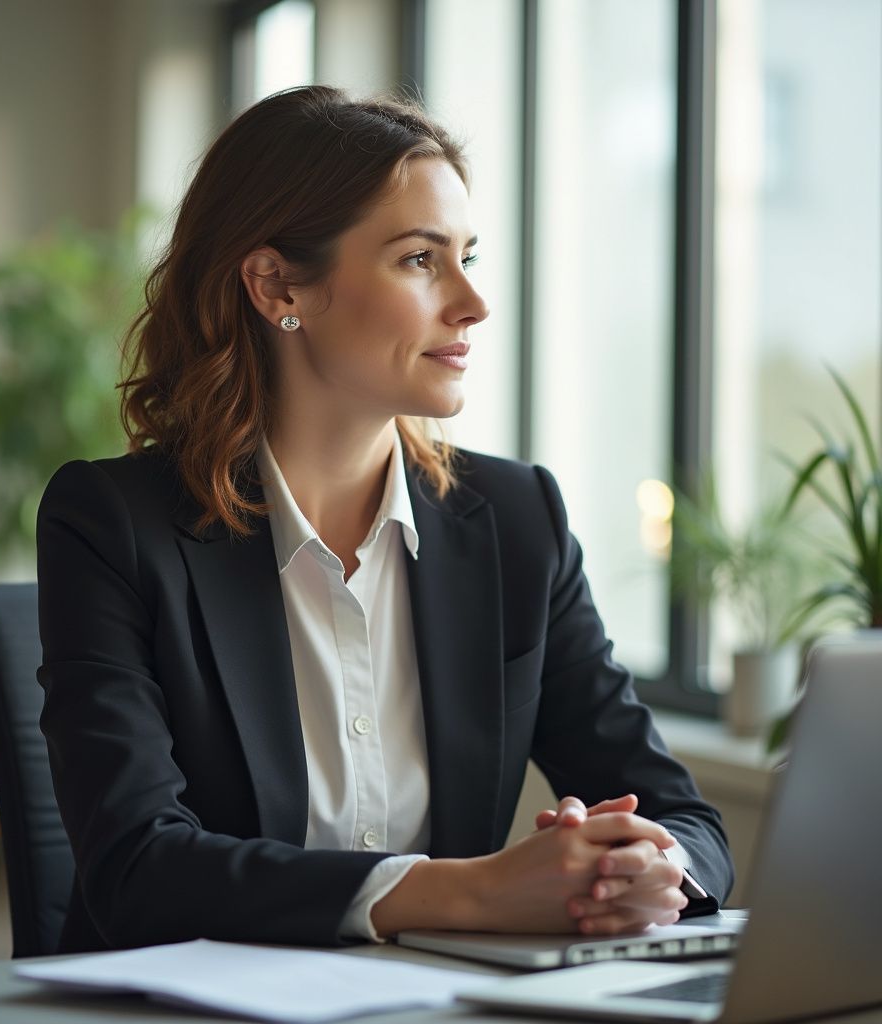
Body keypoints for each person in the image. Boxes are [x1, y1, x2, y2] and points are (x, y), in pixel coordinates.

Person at [36, 85, 732, 954]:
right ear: (277, 282)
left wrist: (645, 868)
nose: (472, 304)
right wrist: (471, 890)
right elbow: (137, 867)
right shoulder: (110, 525)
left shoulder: (518, 522)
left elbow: (682, 817)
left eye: (468, 257)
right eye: (418, 260)